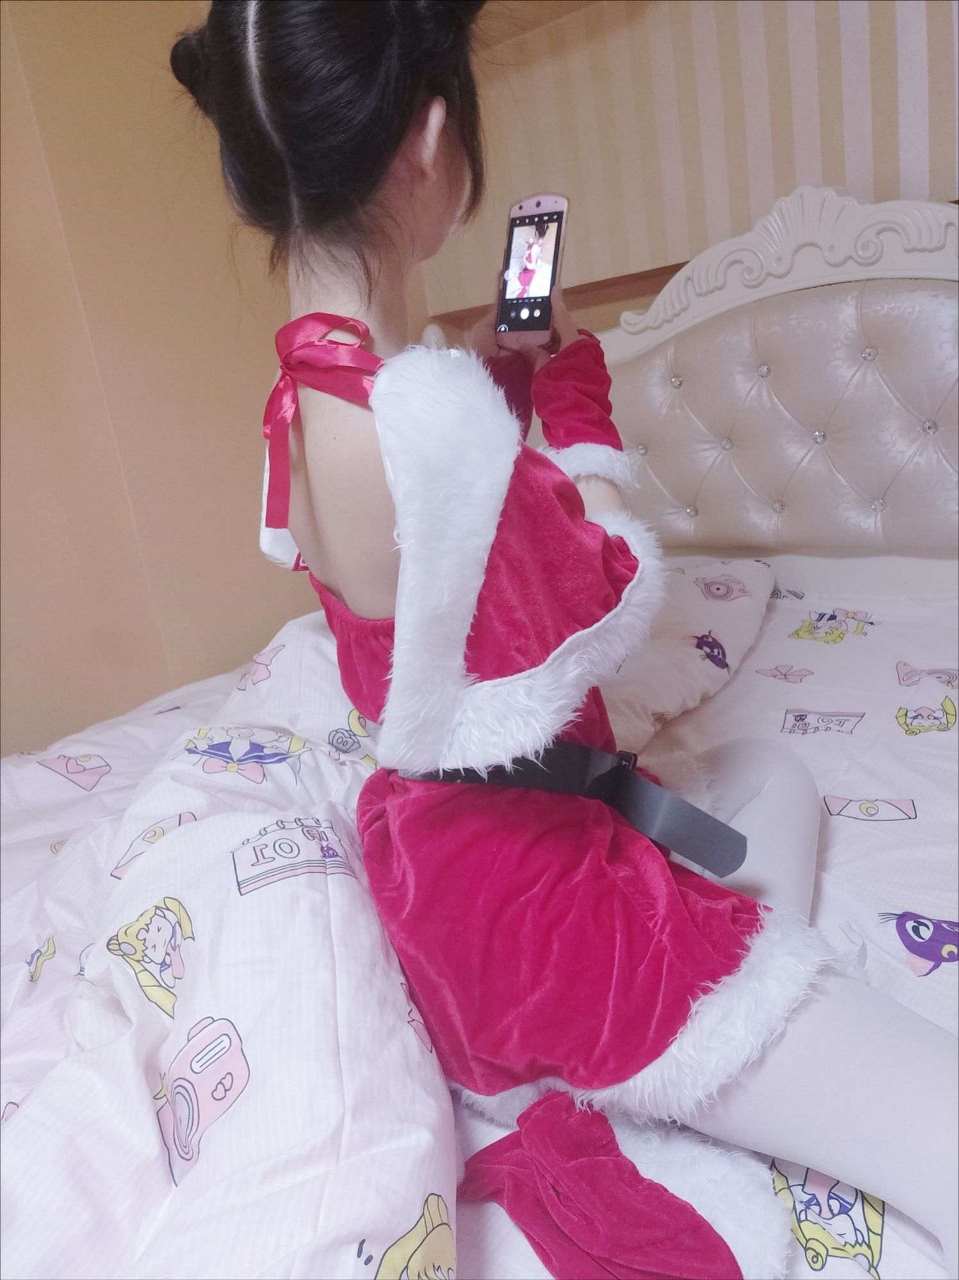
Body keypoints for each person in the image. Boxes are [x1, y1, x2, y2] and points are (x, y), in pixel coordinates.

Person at [170, 3, 958, 1276]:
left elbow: (436, 574)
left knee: (759, 774)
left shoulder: (305, 396)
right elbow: (607, 585)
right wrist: (577, 413)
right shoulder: (425, 426)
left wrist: (497, 380)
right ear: (431, 140)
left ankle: (624, 1068)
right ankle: (647, 1069)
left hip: (446, 888)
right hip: (551, 927)